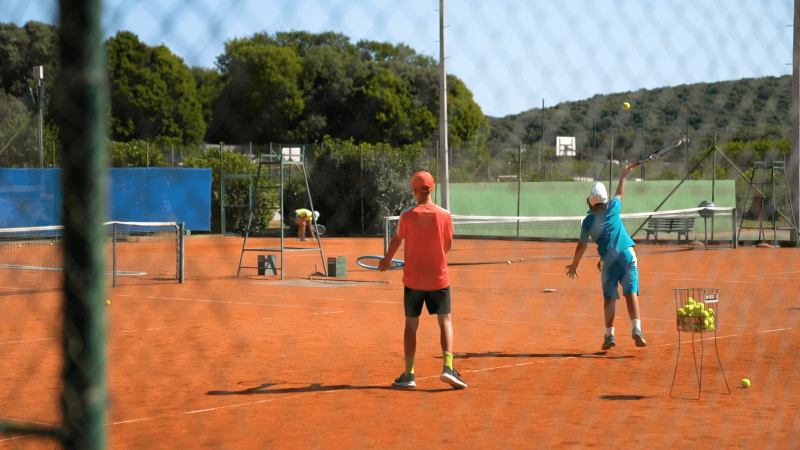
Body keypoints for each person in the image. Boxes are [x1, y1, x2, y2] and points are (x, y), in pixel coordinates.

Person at [379, 171, 467, 389]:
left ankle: (409, 374)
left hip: (413, 280)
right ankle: (448, 367)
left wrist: (386, 260)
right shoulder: (445, 215)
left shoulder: (407, 215)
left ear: (414, 190)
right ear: (432, 189)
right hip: (439, 278)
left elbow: (396, 239)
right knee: (445, 320)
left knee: (411, 324)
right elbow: (448, 246)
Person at [565, 165, 647, 351]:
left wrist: (574, 265)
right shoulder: (613, 207)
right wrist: (623, 176)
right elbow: (620, 193)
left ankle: (609, 335)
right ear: (605, 199)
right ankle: (637, 329)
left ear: (590, 202)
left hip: (607, 262)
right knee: (630, 292)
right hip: (626, 255)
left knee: (610, 298)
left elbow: (582, 245)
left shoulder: (588, 222)